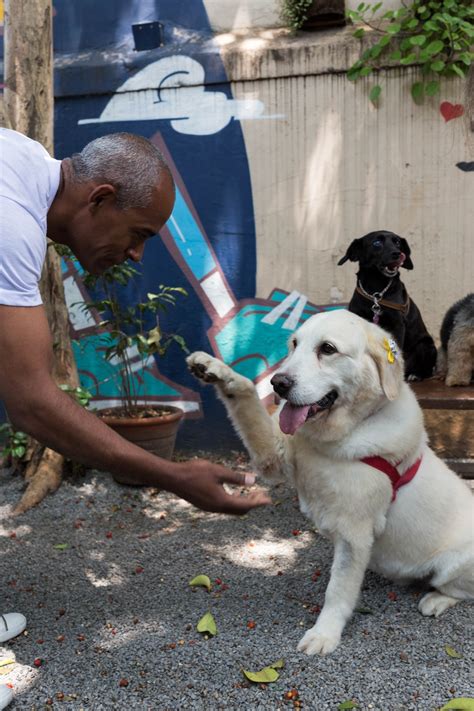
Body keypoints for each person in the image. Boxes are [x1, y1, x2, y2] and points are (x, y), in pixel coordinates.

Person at [0, 129, 270, 706]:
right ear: (98, 199)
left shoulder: (23, 165)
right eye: (139, 234)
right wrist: (171, 476)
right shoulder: (11, 219)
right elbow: (30, 400)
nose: (137, 255)